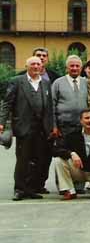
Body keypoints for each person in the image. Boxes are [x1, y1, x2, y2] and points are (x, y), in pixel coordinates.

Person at [0, 56, 56, 201]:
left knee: (38, 160)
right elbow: (7, 103)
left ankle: (30, 189)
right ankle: (19, 189)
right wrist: (1, 122)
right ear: (27, 66)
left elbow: (50, 107)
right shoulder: (17, 81)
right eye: (32, 64)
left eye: (38, 64)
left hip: (42, 128)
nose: (36, 66)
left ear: (41, 66)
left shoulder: (46, 83)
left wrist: (52, 126)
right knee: (23, 160)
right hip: (24, 127)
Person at [53, 109, 90, 200]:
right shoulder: (72, 135)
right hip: (78, 169)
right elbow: (55, 150)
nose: (89, 120)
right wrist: (71, 153)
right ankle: (70, 191)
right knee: (58, 160)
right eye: (87, 118)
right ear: (81, 121)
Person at [52, 55, 88, 136]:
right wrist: (54, 126)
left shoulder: (87, 83)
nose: (74, 68)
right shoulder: (58, 83)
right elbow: (52, 105)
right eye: (72, 66)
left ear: (81, 68)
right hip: (64, 127)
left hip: (83, 126)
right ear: (67, 68)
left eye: (77, 66)